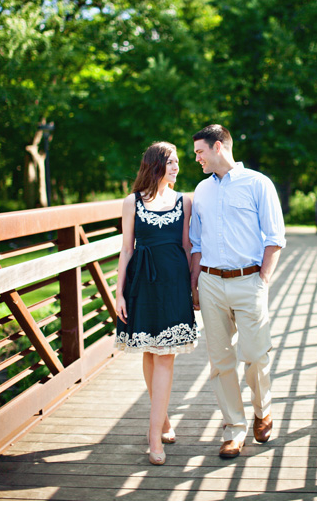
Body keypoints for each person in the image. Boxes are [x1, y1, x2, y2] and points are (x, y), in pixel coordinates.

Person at [189, 124, 286, 459]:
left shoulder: (258, 184)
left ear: (218, 147)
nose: (197, 159)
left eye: (200, 152)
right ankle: (234, 428)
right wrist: (195, 285)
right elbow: (196, 242)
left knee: (256, 356)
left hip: (249, 281)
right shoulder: (201, 190)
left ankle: (263, 410)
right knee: (220, 361)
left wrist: (263, 281)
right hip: (211, 282)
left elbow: (274, 237)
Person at [115, 141, 200, 466]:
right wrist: (119, 292)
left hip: (174, 284)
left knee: (165, 356)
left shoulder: (184, 201)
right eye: (173, 161)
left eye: (179, 161)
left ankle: (154, 437)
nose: (178, 166)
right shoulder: (132, 201)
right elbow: (126, 249)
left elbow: (187, 245)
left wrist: (192, 287)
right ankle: (161, 422)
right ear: (156, 165)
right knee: (151, 352)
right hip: (142, 283)